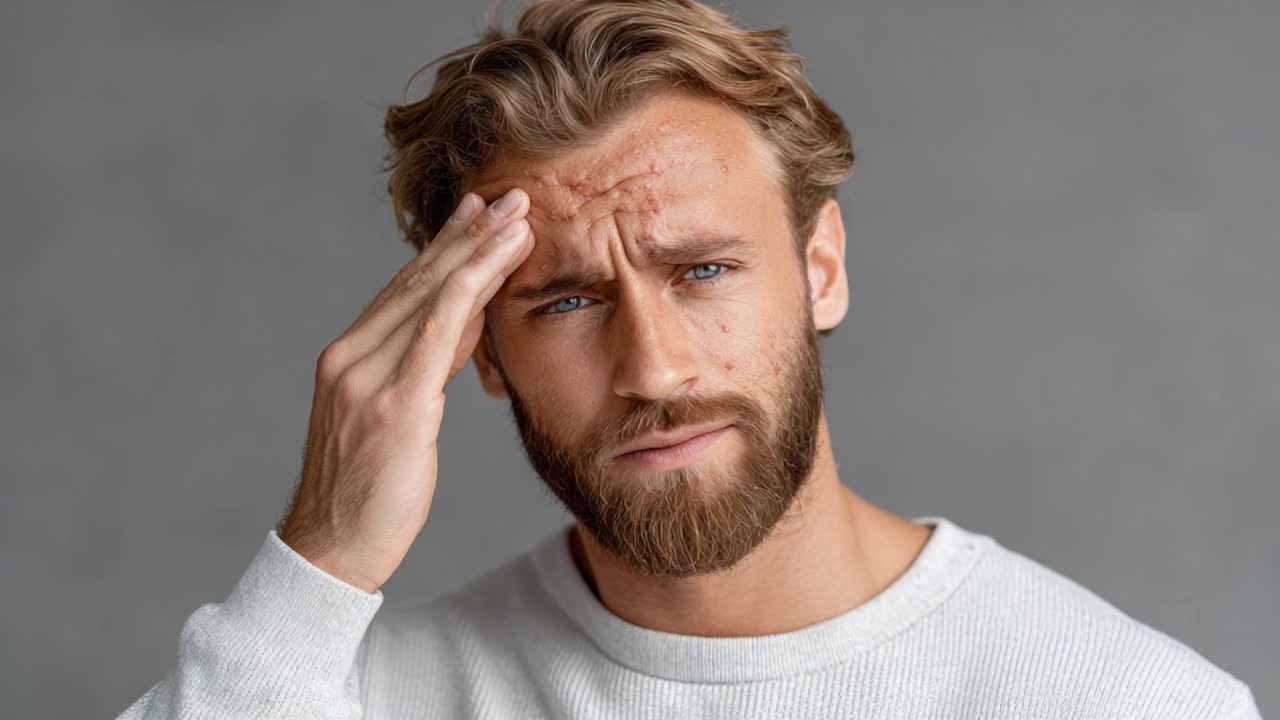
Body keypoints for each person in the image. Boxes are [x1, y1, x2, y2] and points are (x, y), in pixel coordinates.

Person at [117, 1, 1261, 718]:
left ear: (819, 269)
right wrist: (320, 559)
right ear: (478, 352)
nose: (653, 371)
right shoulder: (340, 694)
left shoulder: (1122, 702)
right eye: (564, 299)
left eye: (703, 270)